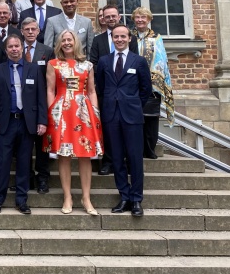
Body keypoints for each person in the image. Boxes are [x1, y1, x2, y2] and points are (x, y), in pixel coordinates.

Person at [96, 24, 152, 217]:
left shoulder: (139, 61)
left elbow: (146, 89)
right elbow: (101, 88)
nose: (119, 39)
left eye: (123, 36)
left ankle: (136, 199)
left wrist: (133, 103)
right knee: (117, 159)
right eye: (116, 37)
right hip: (111, 116)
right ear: (112, 39)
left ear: (129, 38)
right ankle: (124, 196)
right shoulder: (104, 61)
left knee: (135, 158)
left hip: (132, 116)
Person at [45, 29, 103, 215]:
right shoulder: (53, 64)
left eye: (70, 39)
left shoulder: (87, 65)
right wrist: (52, 112)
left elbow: (92, 90)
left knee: (85, 155)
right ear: (59, 44)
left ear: (75, 42)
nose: (67, 43)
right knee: (64, 155)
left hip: (83, 111)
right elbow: (50, 90)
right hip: (62, 111)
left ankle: (86, 198)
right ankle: (67, 196)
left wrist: (95, 112)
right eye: (63, 40)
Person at [0, 34, 47, 214]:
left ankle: (22, 200)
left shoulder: (34, 69)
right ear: (5, 50)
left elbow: (41, 97)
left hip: (27, 123)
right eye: (10, 47)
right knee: (2, 162)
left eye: (17, 46)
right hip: (6, 122)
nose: (14, 49)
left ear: (22, 48)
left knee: (24, 163)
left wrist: (42, 121)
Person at [89, 4, 139, 175]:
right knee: (109, 130)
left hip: (127, 95)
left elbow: (136, 63)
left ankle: (129, 162)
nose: (110, 19)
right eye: (107, 16)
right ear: (103, 18)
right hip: (107, 92)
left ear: (119, 17)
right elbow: (93, 63)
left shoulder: (128, 38)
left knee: (128, 131)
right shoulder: (98, 40)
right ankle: (108, 161)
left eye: (113, 16)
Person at [131, 7, 175, 159]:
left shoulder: (156, 37)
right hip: (133, 84)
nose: (140, 20)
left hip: (152, 85)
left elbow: (162, 60)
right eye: (137, 17)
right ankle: (137, 148)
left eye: (143, 17)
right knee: (136, 118)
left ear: (149, 20)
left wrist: (153, 79)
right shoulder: (130, 37)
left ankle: (150, 149)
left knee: (150, 119)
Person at [20, 17, 55, 193]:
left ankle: (43, 179)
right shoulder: (16, 49)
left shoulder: (47, 51)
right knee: (24, 146)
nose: (30, 32)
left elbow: (52, 80)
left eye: (33, 29)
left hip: (41, 103)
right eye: (27, 29)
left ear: (38, 31)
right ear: (22, 31)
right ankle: (26, 178)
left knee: (42, 146)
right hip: (21, 104)